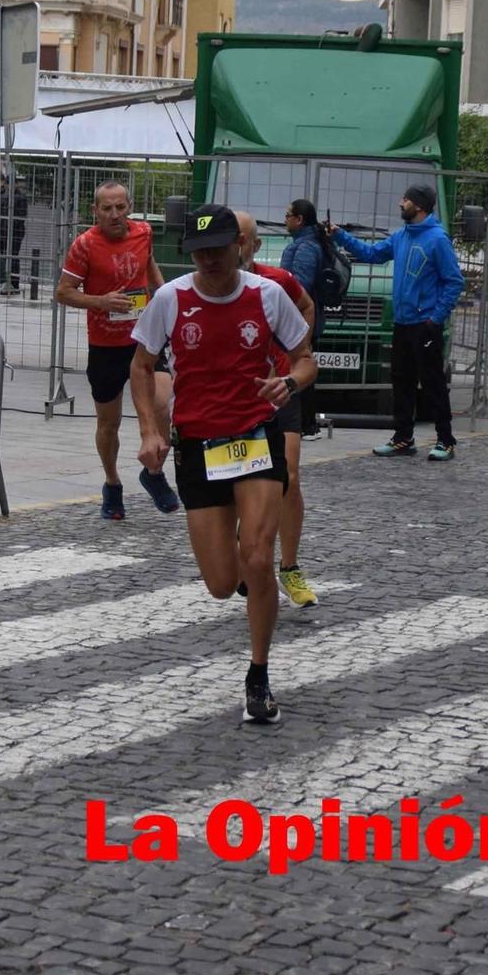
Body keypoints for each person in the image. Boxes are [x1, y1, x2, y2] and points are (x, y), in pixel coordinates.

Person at [130, 203, 315, 726]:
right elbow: (141, 364)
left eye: (219, 249)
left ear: (241, 247)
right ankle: (242, 562)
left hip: (256, 437)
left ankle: (258, 673)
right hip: (200, 447)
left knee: (258, 558)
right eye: (200, 251)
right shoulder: (172, 299)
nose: (210, 260)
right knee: (218, 583)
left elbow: (306, 357)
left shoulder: (267, 296)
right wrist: (149, 428)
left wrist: (291, 382)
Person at [57, 180, 176, 519]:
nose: (114, 215)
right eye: (106, 208)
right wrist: (100, 301)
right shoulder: (84, 245)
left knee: (163, 407)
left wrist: (164, 295)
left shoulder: (144, 232)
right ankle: (112, 483)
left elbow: (148, 264)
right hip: (106, 345)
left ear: (129, 207)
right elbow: (63, 292)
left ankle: (153, 474)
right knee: (108, 424)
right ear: (95, 211)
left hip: (144, 338)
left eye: (120, 207)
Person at [328, 184, 465, 462]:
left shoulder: (438, 239)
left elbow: (454, 282)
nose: (400, 203)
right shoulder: (401, 236)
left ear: (420, 206)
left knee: (433, 384)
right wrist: (340, 235)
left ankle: (445, 440)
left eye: (406, 199)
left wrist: (435, 318)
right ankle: (403, 437)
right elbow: (372, 254)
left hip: (425, 325)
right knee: (401, 382)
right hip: (402, 323)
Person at [236, 211, 321, 609]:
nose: (235, 246)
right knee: (238, 476)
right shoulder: (205, 285)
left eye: (243, 239)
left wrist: (295, 353)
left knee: (288, 474)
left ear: (255, 245)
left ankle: (289, 566)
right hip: (235, 395)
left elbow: (307, 306)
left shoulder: (278, 280)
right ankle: (248, 554)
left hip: (281, 389)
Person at [277, 197, 334, 440]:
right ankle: (307, 424)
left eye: (288, 215)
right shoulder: (307, 243)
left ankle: (307, 425)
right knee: (303, 366)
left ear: (299, 220)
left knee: (302, 367)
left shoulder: (305, 248)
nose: (285, 220)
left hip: (301, 321)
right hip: (302, 320)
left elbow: (298, 285)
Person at [0, 172, 30, 294]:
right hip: (5, 231)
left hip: (15, 232)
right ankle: (5, 282)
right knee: (6, 256)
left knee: (12, 257)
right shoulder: (4, 196)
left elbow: (21, 216)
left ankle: (13, 283)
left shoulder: (19, 198)